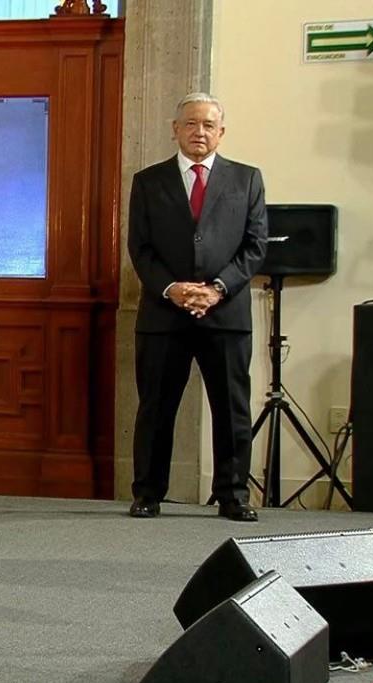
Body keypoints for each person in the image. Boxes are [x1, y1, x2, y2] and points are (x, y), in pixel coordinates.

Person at [127, 92, 268, 523]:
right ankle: (148, 493)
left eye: (208, 125)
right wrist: (171, 288)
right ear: (175, 129)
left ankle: (232, 494)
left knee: (231, 409)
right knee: (157, 408)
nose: (199, 132)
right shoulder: (148, 181)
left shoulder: (247, 179)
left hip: (225, 315)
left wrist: (218, 289)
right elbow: (141, 247)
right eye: (190, 124)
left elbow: (255, 245)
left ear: (221, 133)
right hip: (164, 314)